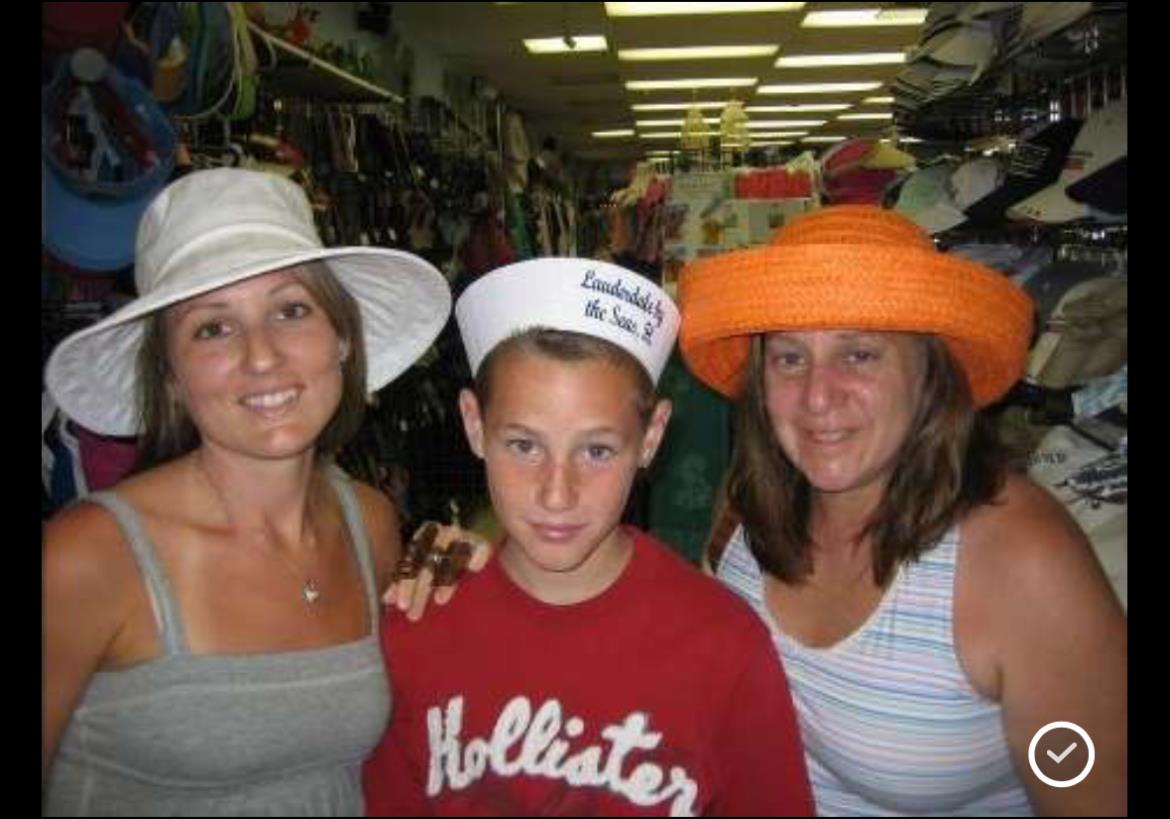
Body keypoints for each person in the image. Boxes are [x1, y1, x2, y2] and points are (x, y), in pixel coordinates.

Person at [678, 204, 1127, 816]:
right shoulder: (749, 505)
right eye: (789, 358)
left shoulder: (1020, 563)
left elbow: (1090, 793)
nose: (817, 396)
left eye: (859, 354)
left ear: (930, 374)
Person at [42, 167, 455, 815]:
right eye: (212, 327)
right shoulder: (87, 558)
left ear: (341, 339)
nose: (262, 356)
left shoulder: (370, 524)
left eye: (291, 310)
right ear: (171, 374)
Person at [363, 257, 814, 816]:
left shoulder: (724, 645)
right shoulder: (418, 625)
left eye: (597, 450)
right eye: (524, 446)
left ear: (650, 438)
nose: (558, 494)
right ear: (474, 424)